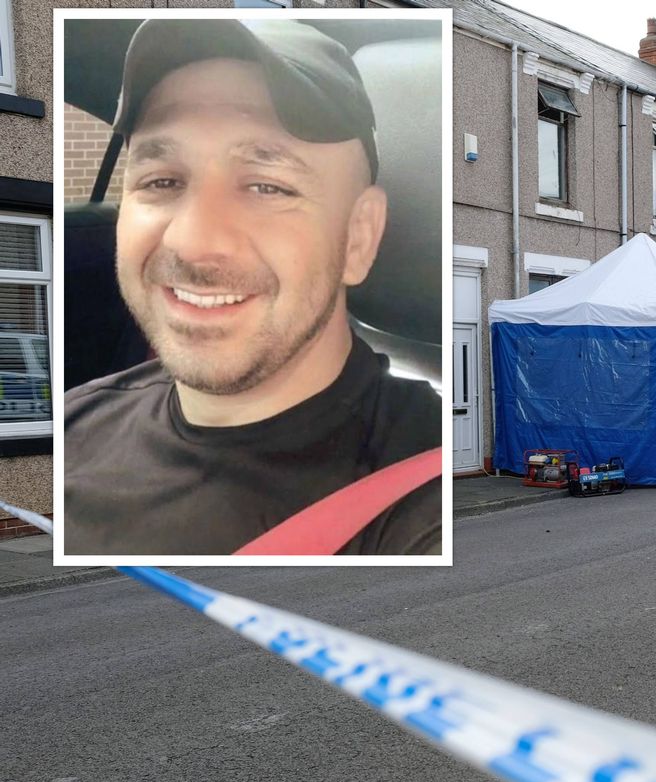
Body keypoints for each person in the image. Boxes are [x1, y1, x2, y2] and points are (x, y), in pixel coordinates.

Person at [64, 19, 441, 556]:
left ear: (359, 236)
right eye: (162, 181)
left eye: (267, 186)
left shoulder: (424, 495)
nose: (193, 241)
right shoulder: (76, 423)